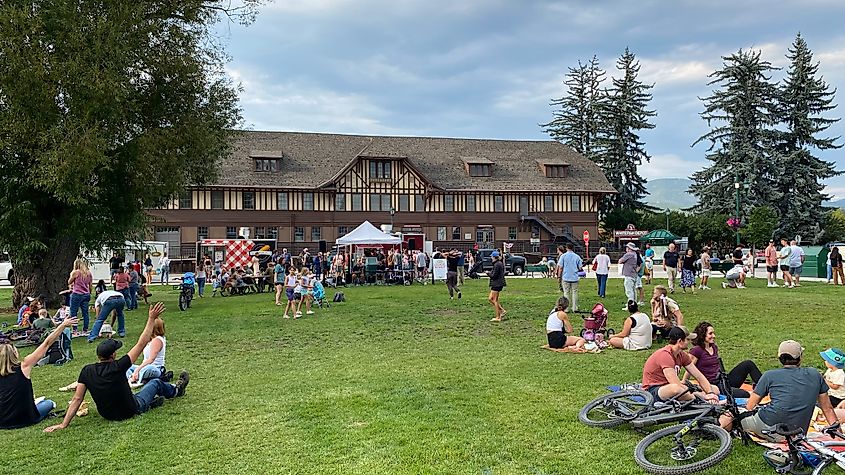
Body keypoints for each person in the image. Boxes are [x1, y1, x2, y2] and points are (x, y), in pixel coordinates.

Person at [44, 303, 189, 432]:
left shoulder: (87, 370)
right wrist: (151, 319)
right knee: (155, 383)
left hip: (107, 415)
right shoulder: (119, 366)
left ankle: (151, 403)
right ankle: (176, 390)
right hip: (130, 410)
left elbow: (77, 398)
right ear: (113, 355)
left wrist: (63, 424)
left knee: (139, 393)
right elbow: (141, 343)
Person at [719, 340, 842, 441]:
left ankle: (716, 432)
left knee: (730, 415)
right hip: (797, 433)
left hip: (770, 428)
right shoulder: (815, 374)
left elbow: (750, 405)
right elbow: (827, 409)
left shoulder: (769, 375)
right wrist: (839, 436)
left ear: (779, 358)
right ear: (800, 357)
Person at [1, 317, 78, 429]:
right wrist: (62, 326)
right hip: (25, 419)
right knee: (49, 403)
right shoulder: (24, 366)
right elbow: (46, 344)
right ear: (14, 353)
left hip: (2, 421)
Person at [641, 326, 719, 403]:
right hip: (654, 390)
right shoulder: (665, 355)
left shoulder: (681, 355)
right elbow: (675, 384)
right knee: (677, 389)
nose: (689, 342)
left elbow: (698, 375)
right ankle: (698, 398)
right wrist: (701, 395)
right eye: (687, 339)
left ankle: (698, 397)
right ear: (680, 341)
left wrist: (710, 392)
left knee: (714, 389)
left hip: (671, 386)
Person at [687, 322, 762, 398]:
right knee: (745, 394)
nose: (714, 336)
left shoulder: (714, 347)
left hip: (723, 380)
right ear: (702, 335)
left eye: (713, 333)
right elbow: (688, 367)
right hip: (713, 386)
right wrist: (684, 382)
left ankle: (764, 387)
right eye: (710, 333)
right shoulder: (696, 350)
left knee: (748, 364)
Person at [126, 318, 170, 388]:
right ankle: (131, 379)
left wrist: (138, 369)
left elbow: (151, 359)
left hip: (155, 368)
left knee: (147, 369)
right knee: (127, 366)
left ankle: (137, 380)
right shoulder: (149, 340)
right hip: (144, 367)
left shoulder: (157, 340)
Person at [68, 257, 93, 333]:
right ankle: (85, 329)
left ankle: (75, 329)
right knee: (85, 313)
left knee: (74, 312)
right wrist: (89, 292)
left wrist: (71, 275)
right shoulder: (88, 273)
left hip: (77, 294)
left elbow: (69, 282)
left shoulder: (76, 272)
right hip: (86, 294)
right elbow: (90, 285)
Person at [559, 243, 583, 312]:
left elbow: (560, 267)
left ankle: (566, 308)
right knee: (574, 292)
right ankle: (574, 307)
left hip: (566, 276)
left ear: (566, 248)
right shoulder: (577, 256)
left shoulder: (563, 256)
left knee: (566, 293)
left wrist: (559, 276)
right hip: (574, 277)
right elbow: (580, 267)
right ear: (573, 248)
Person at [618, 242, 639, 308]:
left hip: (629, 274)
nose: (626, 249)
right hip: (633, 274)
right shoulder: (635, 254)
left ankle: (630, 305)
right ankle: (634, 303)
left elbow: (620, 261)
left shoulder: (628, 254)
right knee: (633, 290)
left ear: (629, 248)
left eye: (627, 247)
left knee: (629, 291)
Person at [488, 251, 506, 322]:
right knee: (490, 299)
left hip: (497, 284)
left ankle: (498, 317)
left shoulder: (497, 264)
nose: (491, 258)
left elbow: (494, 275)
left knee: (494, 300)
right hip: (496, 284)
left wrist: (488, 273)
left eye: (491, 256)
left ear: (494, 257)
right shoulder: (498, 263)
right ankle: (502, 310)